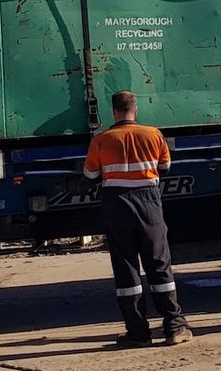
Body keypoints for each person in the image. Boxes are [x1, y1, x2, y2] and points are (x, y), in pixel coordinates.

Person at [81, 91, 194, 347]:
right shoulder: (154, 135)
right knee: (158, 262)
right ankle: (175, 328)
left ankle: (137, 332)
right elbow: (164, 167)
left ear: (114, 112)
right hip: (149, 202)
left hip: (117, 203)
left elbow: (89, 174)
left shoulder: (101, 140)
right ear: (136, 110)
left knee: (126, 267)